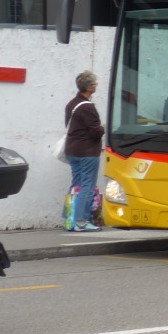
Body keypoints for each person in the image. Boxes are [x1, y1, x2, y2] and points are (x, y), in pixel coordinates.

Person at [64, 70, 105, 232]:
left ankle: (70, 220)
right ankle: (81, 221)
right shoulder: (87, 107)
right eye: (94, 83)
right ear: (89, 87)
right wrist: (102, 128)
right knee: (87, 186)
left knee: (76, 185)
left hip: (72, 150)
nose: (96, 86)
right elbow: (95, 131)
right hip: (87, 151)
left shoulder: (71, 104)